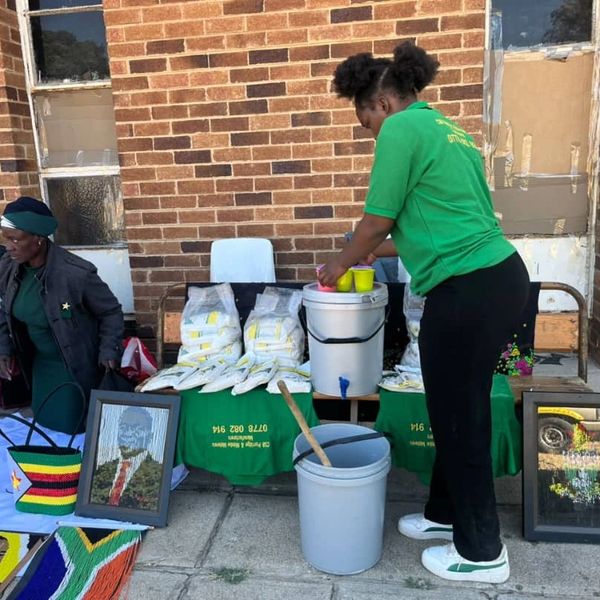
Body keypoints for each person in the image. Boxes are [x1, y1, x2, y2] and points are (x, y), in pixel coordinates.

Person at [318, 42, 530, 583]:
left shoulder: (401, 130)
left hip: (468, 290)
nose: (370, 133)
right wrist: (373, 250)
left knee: (461, 417)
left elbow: (376, 220)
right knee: (455, 407)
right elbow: (438, 223)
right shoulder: (448, 130)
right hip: (499, 277)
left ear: (383, 104)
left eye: (365, 122)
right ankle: (443, 514)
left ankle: (483, 554)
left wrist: (336, 265)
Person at [0, 196, 124, 434]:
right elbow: (2, 311)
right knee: (43, 423)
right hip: (38, 363)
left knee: (72, 427)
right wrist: (3, 349)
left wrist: (109, 349)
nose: (9, 246)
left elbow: (111, 312)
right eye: (6, 239)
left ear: (37, 238)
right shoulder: (7, 268)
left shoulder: (76, 273)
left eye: (15, 239)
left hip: (74, 365)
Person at [90, 406, 163, 511]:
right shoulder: (102, 470)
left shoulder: (158, 472)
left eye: (137, 428)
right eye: (123, 427)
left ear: (150, 437)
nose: (128, 433)